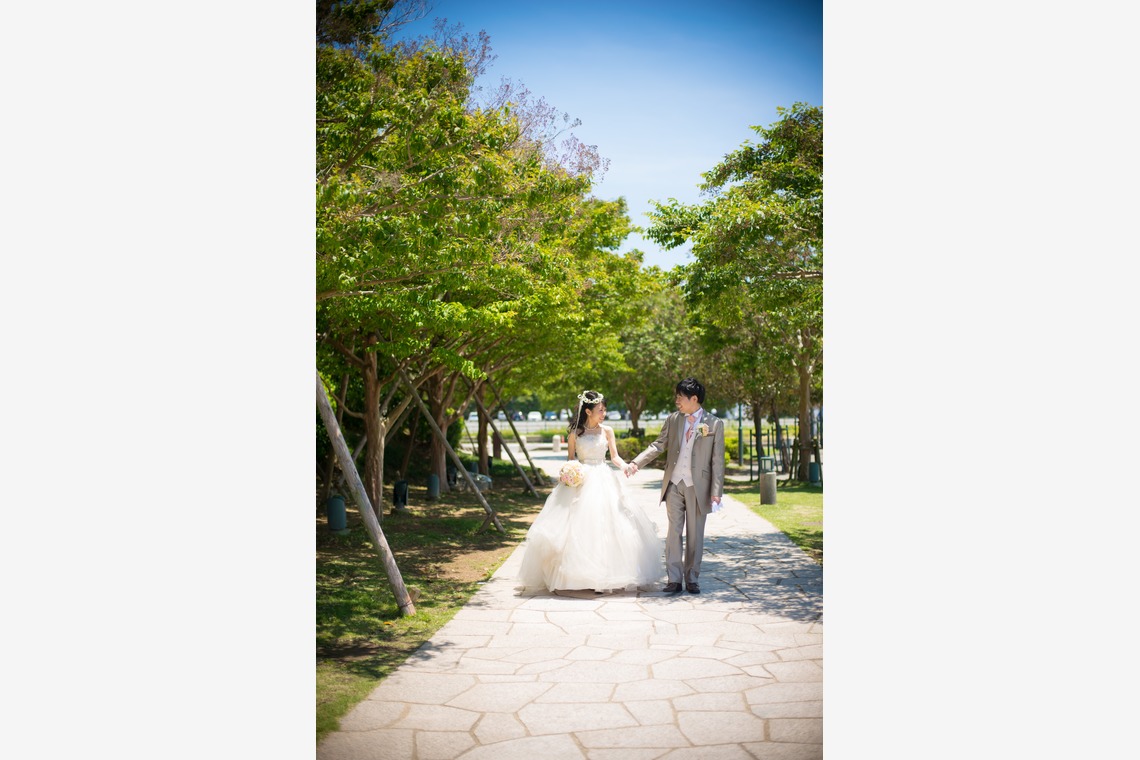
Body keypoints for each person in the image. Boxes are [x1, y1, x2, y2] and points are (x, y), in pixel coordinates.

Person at [517, 390, 662, 593]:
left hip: (603, 477)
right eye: (600, 410)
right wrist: (569, 472)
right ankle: (578, 576)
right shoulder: (575, 433)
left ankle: (607, 574)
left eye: (604, 410)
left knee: (609, 523)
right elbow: (570, 459)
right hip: (581, 479)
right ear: (588, 411)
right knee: (579, 525)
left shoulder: (607, 431)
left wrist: (626, 466)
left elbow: (614, 457)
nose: (604, 414)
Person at [624, 378, 725, 594]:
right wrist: (636, 463)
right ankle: (674, 579)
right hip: (674, 484)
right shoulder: (673, 420)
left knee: (695, 535)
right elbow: (658, 445)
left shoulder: (714, 424)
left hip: (699, 487)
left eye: (680, 397)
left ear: (694, 399)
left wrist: (716, 491)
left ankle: (692, 578)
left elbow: (717, 461)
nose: (676, 401)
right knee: (673, 532)